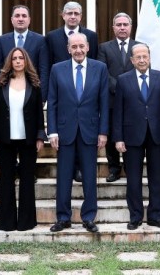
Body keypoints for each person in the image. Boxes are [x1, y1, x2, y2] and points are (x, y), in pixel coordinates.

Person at [47, 33, 109, 233]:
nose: (78, 50)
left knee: (90, 177)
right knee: (63, 177)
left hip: (90, 131)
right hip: (64, 132)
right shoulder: (57, 69)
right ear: (68, 49)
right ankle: (63, 217)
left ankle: (89, 217)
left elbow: (104, 103)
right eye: (74, 47)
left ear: (88, 47)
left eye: (81, 46)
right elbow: (53, 103)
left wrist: (103, 132)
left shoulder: (100, 68)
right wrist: (52, 131)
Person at [113, 43, 160, 230]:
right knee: (133, 179)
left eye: (144, 56)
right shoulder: (123, 80)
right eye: (137, 57)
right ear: (132, 60)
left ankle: (156, 216)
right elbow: (118, 111)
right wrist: (118, 138)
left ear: (149, 57)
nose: (142, 60)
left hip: (157, 135)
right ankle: (136, 216)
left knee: (156, 178)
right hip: (131, 136)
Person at [0, 47, 45, 231]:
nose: (18, 61)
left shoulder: (35, 84)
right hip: (5, 138)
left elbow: (38, 114)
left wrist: (40, 137)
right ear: (9, 62)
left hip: (28, 139)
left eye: (21, 58)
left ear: (26, 61)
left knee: (27, 180)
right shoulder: (1, 84)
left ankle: (27, 222)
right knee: (6, 179)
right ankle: (7, 222)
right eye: (14, 58)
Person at [44, 1, 99, 182]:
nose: (73, 16)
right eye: (69, 13)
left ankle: (80, 169)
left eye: (76, 13)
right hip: (63, 94)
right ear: (63, 15)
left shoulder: (91, 36)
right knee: (67, 136)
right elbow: (47, 65)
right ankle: (71, 170)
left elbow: (95, 66)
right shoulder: (52, 37)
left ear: (81, 16)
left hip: (85, 94)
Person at [97, 12, 138, 183]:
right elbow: (102, 72)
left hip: (134, 101)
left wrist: (129, 88)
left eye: (125, 25)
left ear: (130, 27)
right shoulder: (104, 48)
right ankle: (114, 169)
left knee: (130, 134)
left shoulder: (140, 46)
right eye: (118, 25)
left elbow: (142, 69)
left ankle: (130, 168)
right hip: (112, 100)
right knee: (112, 135)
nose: (122, 28)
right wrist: (121, 87)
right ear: (113, 28)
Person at [0, 5, 50, 101]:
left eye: (24, 16)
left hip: (33, 92)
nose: (20, 19)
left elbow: (44, 70)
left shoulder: (40, 40)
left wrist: (42, 97)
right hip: (8, 92)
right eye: (17, 16)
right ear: (12, 19)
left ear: (29, 19)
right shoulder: (1, 41)